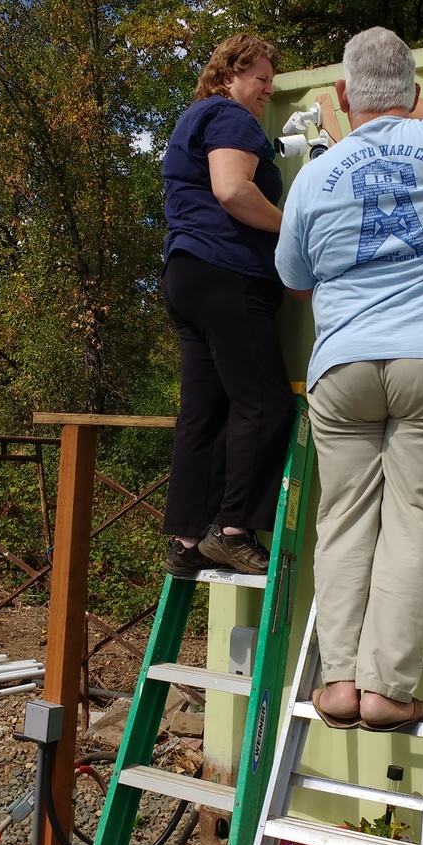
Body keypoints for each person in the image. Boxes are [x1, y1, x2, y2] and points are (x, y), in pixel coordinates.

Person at [275, 26, 423, 730]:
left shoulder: (315, 175)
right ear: (414, 87)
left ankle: (337, 682)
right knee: (417, 524)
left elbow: (294, 280)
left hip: (340, 366)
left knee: (343, 521)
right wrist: (402, 107)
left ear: (342, 94)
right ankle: (387, 691)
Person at [161, 33, 294, 577]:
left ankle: (187, 541)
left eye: (270, 79)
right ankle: (233, 530)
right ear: (227, 76)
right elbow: (234, 192)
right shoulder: (232, 116)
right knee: (265, 403)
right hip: (228, 271)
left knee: (205, 412)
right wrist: (297, 229)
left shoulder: (193, 119)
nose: (267, 88)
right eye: (259, 76)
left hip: (186, 273)